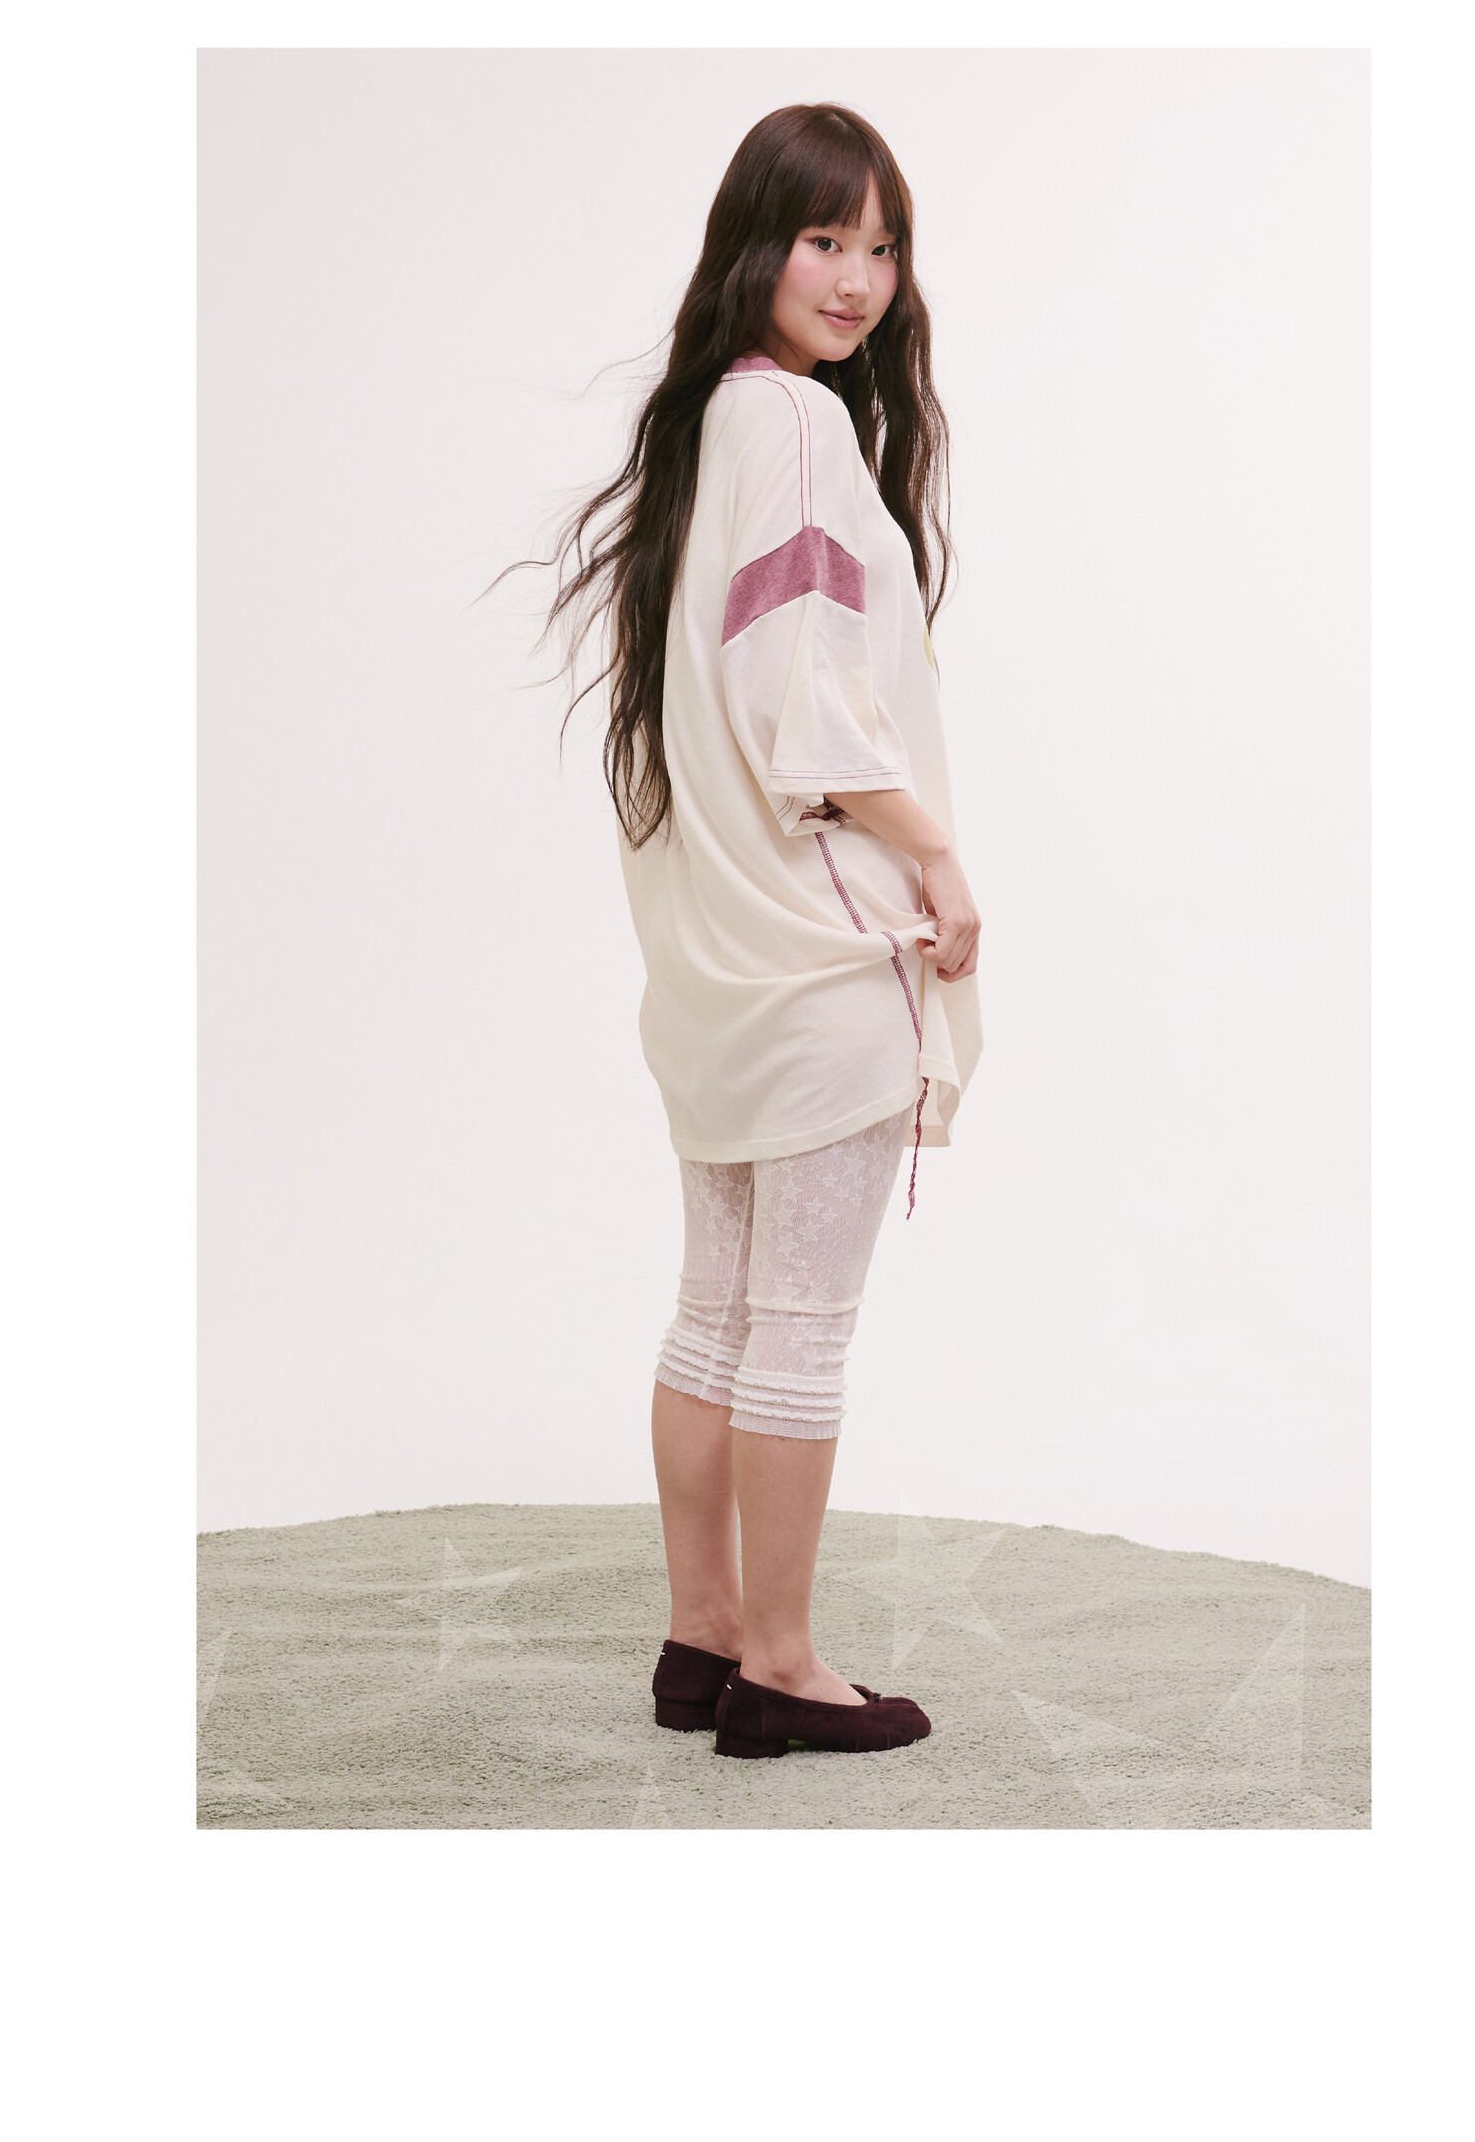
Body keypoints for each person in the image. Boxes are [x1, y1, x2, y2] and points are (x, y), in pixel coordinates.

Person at [525, 101, 984, 1760]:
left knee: (713, 1311)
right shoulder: (795, 425)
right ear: (758, 247)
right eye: (822, 239)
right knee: (796, 1330)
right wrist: (938, 861)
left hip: (720, 975)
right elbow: (810, 709)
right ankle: (782, 1664)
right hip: (818, 959)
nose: (857, 279)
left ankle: (702, 1638)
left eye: (882, 246)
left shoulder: (715, 423)